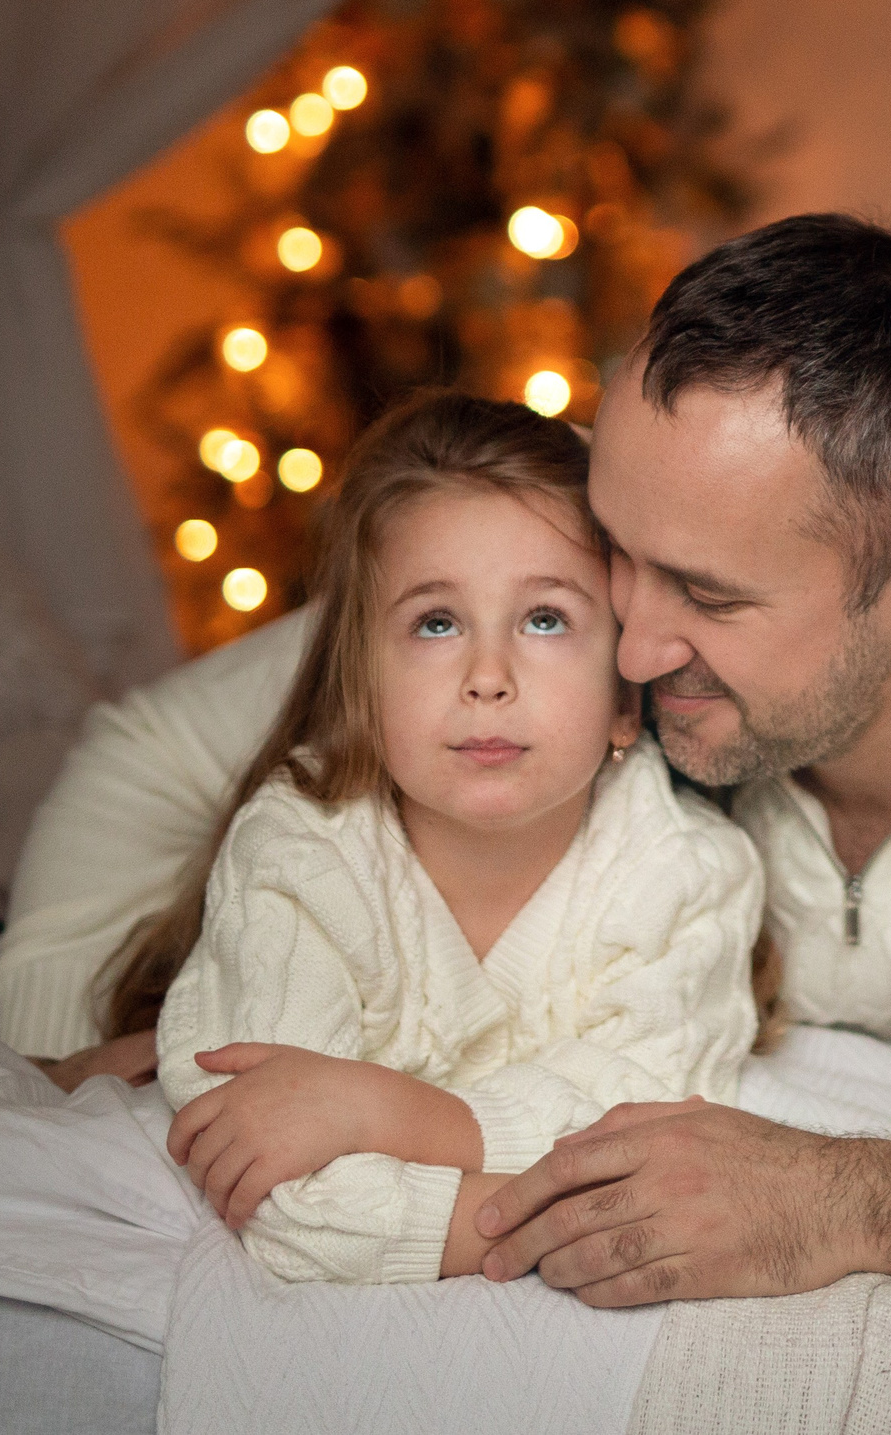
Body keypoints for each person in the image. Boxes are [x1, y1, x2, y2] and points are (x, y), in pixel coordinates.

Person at [4, 213, 891, 1306]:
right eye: (616, 551)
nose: (623, 642)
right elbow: (152, 749)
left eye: (709, 596)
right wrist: (52, 1037)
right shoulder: (596, 579)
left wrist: (873, 1201)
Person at [101, 391, 766, 1285]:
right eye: (436, 622)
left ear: (623, 697)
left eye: (545, 618)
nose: (487, 676)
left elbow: (646, 1131)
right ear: (361, 689)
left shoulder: (690, 875)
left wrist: (388, 1112)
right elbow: (293, 1207)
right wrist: (557, 1207)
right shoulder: (303, 854)